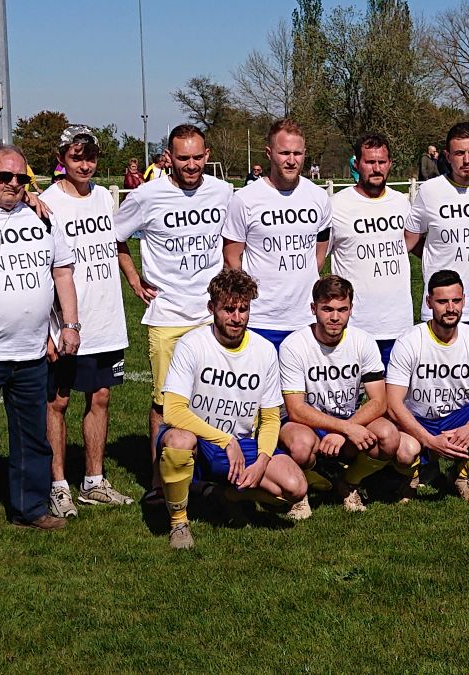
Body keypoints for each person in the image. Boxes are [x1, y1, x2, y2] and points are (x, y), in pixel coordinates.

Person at [0, 143, 81, 541]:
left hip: (32, 351)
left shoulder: (42, 216)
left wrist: (70, 325)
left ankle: (30, 508)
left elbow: (62, 272)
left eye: (20, 177)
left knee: (32, 437)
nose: (13, 184)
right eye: (4, 176)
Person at [114, 124, 234, 506]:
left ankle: (204, 473)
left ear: (207, 154)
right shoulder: (146, 195)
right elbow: (114, 236)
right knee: (166, 402)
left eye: (198, 157)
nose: (192, 165)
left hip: (210, 314)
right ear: (169, 157)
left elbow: (234, 237)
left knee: (212, 397)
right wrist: (134, 278)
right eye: (183, 158)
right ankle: (158, 480)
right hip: (167, 314)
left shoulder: (223, 191)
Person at [156, 268, 306, 549]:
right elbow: (173, 411)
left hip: (240, 444)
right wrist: (225, 440)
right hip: (199, 441)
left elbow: (270, 419)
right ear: (211, 308)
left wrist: (261, 462)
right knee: (178, 442)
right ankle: (179, 522)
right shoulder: (192, 344)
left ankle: (224, 495)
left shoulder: (264, 351)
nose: (237, 318)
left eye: (243, 309)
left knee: (294, 488)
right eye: (228, 310)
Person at [39, 126, 133, 518]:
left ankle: (94, 481)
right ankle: (57, 485)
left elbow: (119, 244)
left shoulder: (104, 198)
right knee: (58, 401)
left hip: (106, 319)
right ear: (62, 158)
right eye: (77, 157)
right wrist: (50, 330)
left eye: (90, 157)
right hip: (66, 324)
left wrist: (134, 280)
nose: (85, 165)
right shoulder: (46, 203)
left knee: (101, 397)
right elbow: (43, 271)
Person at [278, 276, 414, 516]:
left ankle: (349, 482)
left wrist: (346, 430)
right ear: (313, 308)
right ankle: (303, 489)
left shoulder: (364, 342)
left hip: (349, 421)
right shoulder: (294, 346)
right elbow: (295, 409)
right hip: (309, 424)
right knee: (300, 446)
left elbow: (379, 401)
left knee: (389, 436)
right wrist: (345, 429)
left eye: (342, 310)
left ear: (351, 309)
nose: (334, 317)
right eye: (327, 309)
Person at [385, 270, 469, 508]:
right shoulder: (409, 341)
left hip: (458, 418)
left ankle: (460, 475)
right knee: (405, 451)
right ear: (429, 302)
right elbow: (393, 403)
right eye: (442, 301)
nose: (451, 308)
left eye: (456, 300)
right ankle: (415, 474)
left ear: (464, 301)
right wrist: (430, 441)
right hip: (419, 418)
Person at [222, 118, 332, 351]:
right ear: (269, 153)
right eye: (284, 153)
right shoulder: (245, 199)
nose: (291, 160)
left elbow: (320, 252)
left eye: (297, 153)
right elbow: (232, 258)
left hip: (307, 319)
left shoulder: (319, 197)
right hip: (261, 320)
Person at [407, 122, 469, 362]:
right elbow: (408, 241)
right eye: (459, 153)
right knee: (440, 378)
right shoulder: (430, 191)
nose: (466, 160)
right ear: (447, 156)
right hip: (442, 307)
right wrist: (436, 254)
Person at [327, 133, 414, 365]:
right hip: (355, 326)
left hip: (399, 325)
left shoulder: (401, 202)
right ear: (357, 164)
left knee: (396, 389)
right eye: (370, 162)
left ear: (390, 164)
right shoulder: (336, 205)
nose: (376, 168)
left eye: (382, 162)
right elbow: (318, 257)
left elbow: (409, 242)